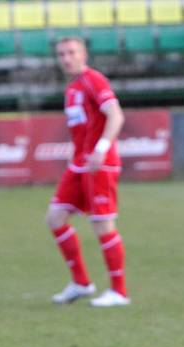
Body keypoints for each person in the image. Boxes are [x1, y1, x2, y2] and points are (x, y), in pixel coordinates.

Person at [46, 36, 130, 307]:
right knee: (55, 217)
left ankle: (119, 292)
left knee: (102, 224)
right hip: (79, 163)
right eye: (61, 54)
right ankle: (81, 282)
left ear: (83, 54)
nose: (66, 58)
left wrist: (102, 148)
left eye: (71, 52)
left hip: (99, 163)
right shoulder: (72, 88)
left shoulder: (94, 79)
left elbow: (116, 115)